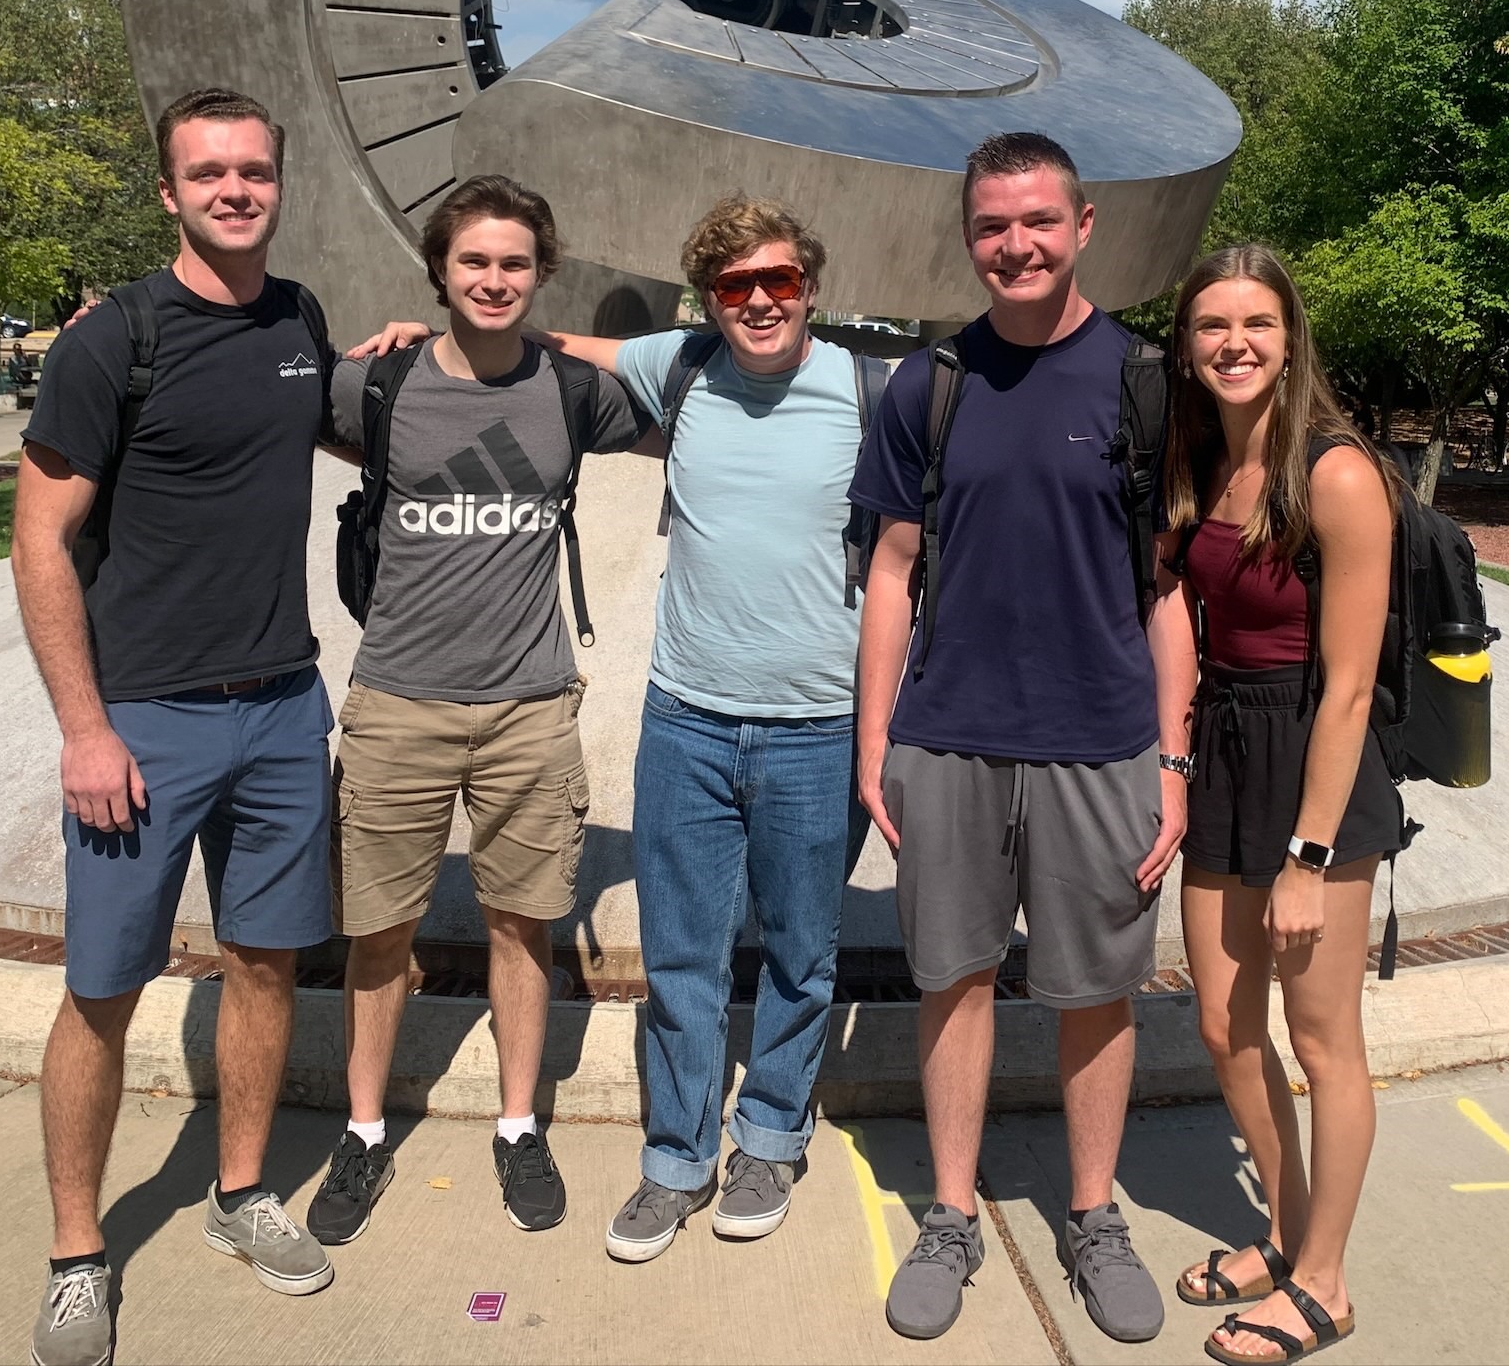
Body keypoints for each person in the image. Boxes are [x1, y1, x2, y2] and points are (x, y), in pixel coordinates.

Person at [12, 86, 424, 1366]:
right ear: (169, 190)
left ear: (276, 181)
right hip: (143, 722)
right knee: (102, 988)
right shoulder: (113, 340)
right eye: (208, 172)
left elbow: (302, 426)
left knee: (264, 960)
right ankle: (79, 1250)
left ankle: (241, 1194)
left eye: (252, 170)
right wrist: (85, 729)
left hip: (281, 705)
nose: (234, 189)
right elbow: (38, 542)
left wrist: (405, 361)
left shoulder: (297, 317)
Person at [852, 131, 1180, 1347]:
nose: (1016, 244)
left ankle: (1092, 1215)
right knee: (952, 977)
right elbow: (890, 572)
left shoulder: (1145, 382)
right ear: (968, 236)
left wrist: (1175, 758)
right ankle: (949, 1213)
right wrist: (872, 734)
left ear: (1083, 225)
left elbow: (1166, 589)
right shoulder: (926, 385)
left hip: (1102, 740)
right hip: (948, 734)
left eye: (1038, 221)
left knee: (1095, 990)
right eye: (992, 225)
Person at [533, 198, 874, 1262]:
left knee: (800, 954)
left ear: (809, 285)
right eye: (735, 285)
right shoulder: (678, 364)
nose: (759, 299)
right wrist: (427, 332)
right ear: (708, 297)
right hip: (686, 719)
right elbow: (547, 341)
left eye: (777, 280)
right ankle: (674, 1159)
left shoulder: (872, 386)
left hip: (818, 726)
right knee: (680, 956)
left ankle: (770, 1133)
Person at [308, 176, 644, 1247]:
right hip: (397, 698)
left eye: (512, 263)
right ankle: (362, 1131)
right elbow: (255, 391)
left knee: (521, 923)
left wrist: (558, 337)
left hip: (528, 707)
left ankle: (515, 1123)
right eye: (471, 263)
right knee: (378, 929)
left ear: (540, 273)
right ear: (437, 271)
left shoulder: (569, 391)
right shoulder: (379, 386)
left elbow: (687, 374)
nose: (490, 279)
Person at [1152, 246, 1400, 1365]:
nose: (1233, 342)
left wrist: (1306, 856)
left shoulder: (1334, 472)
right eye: (1210, 324)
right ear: (1187, 343)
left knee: (1321, 1038)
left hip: (1315, 763)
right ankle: (1285, 1231)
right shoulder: (1203, 459)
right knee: (1218, 1021)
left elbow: (1346, 686)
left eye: (1254, 322)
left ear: (1289, 336)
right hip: (1224, 750)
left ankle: (1325, 1281)